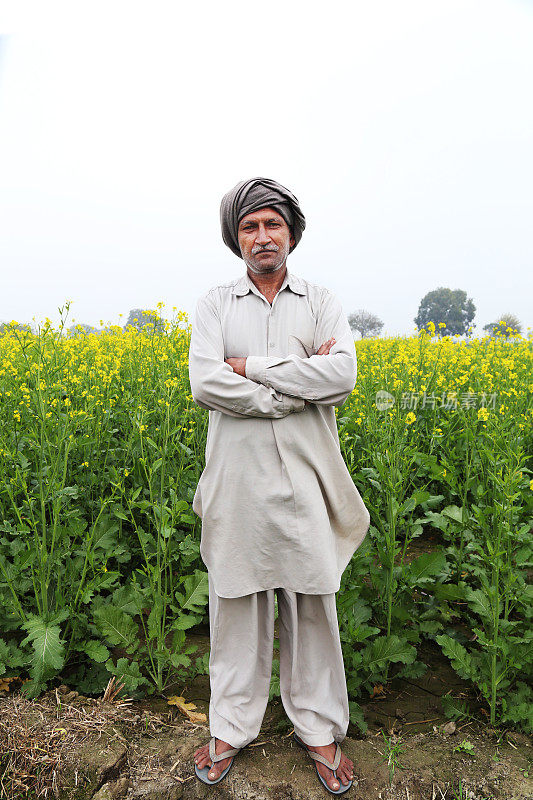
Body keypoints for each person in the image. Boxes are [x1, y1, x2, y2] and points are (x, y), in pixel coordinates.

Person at [189, 177, 370, 794]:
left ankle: (318, 727)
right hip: (236, 482)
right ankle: (230, 727)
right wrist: (289, 392)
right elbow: (207, 383)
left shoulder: (321, 302)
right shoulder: (215, 305)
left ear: (291, 232)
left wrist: (256, 369)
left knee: (312, 601)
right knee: (236, 603)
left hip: (307, 481)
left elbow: (341, 374)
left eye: (272, 224)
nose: (262, 237)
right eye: (249, 227)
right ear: (235, 238)